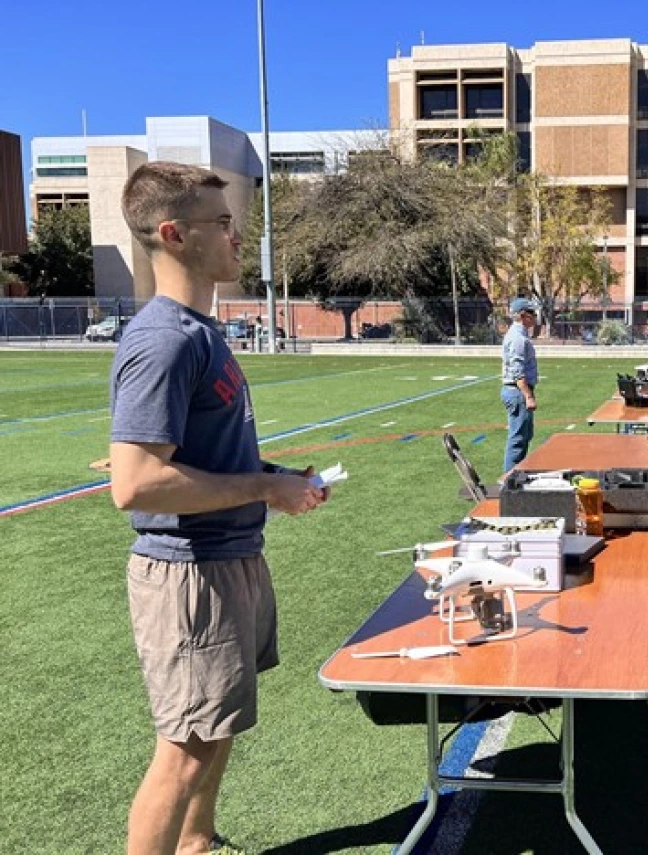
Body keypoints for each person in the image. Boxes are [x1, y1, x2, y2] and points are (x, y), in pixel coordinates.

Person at [109, 162, 330, 855]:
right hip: (190, 574)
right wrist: (266, 489)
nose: (239, 236)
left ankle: (197, 842)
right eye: (223, 222)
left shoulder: (202, 333)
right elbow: (136, 482)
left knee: (215, 728)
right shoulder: (165, 339)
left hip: (228, 560)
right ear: (173, 234)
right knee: (184, 749)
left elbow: (202, 454)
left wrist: (274, 476)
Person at [501, 296, 539, 472]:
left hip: (519, 391)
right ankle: (510, 480)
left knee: (524, 436)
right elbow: (517, 371)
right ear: (523, 315)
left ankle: (518, 474)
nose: (535, 317)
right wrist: (528, 396)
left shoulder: (519, 335)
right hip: (518, 392)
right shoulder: (517, 338)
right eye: (533, 313)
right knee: (517, 439)